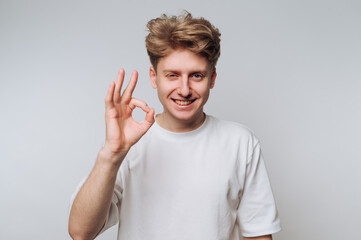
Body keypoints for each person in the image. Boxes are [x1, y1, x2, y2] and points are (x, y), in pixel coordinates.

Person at [68, 12, 281, 240]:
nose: (184, 89)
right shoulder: (128, 144)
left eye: (196, 76)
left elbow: (258, 235)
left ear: (212, 78)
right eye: (172, 75)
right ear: (154, 77)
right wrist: (111, 155)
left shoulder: (241, 143)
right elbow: (81, 232)